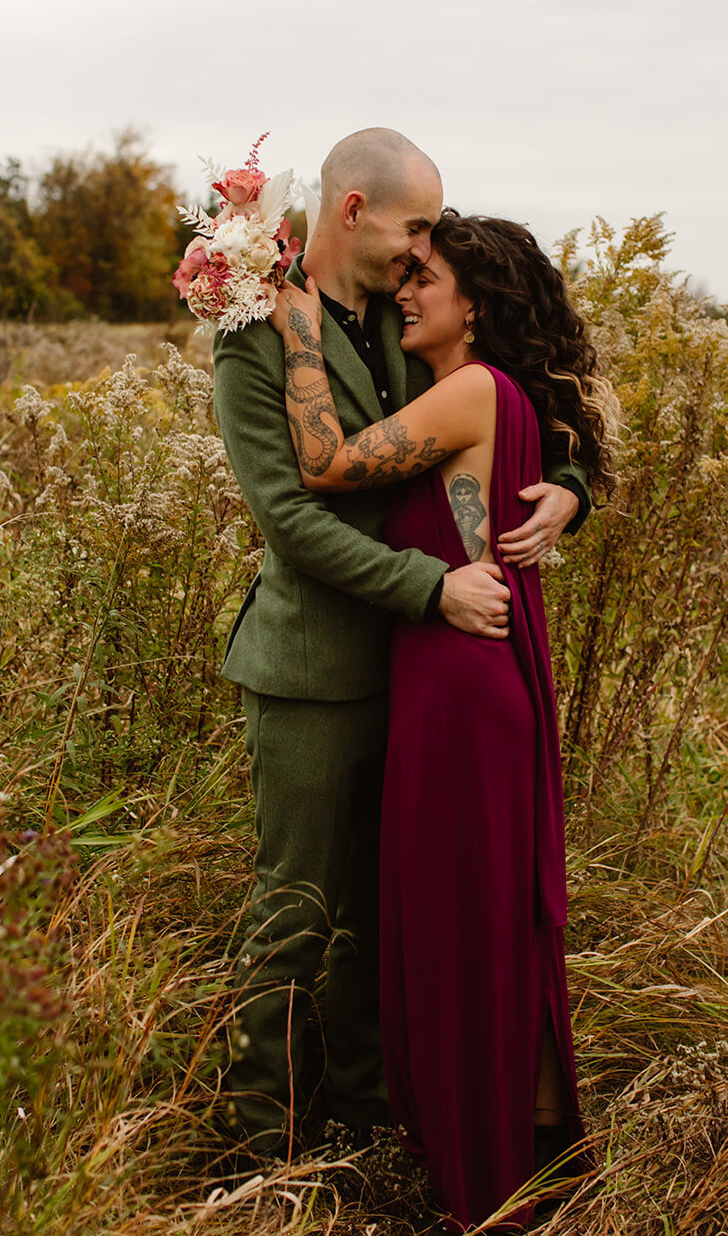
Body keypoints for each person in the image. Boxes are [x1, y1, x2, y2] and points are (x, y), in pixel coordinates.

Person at [211, 129, 591, 1158]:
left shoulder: (401, 318)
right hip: (313, 671)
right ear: (351, 212)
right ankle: (267, 1142)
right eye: (413, 229)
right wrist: (431, 585)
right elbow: (294, 517)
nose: (421, 255)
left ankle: (371, 1116)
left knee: (383, 922)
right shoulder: (251, 334)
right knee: (295, 912)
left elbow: (516, 396)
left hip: (421, 671)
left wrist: (570, 488)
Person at [268, 210, 616, 1231]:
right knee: (476, 919)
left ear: (476, 304)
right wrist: (570, 484)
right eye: (404, 272)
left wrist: (293, 330)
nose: (404, 291)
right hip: (457, 679)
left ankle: (493, 1171)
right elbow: (549, 454)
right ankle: (524, 1148)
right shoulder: (488, 394)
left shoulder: (469, 387)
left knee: (467, 926)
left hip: (461, 688)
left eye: (425, 279)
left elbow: (324, 466)